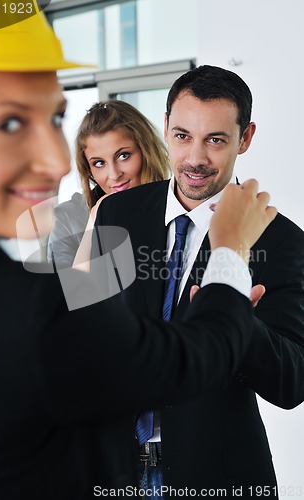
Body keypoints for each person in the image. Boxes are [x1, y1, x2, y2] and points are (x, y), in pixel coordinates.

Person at [0, 3, 277, 497]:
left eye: (54, 117)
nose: (54, 162)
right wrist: (230, 264)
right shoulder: (96, 227)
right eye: (8, 123)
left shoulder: (279, 236)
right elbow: (105, 342)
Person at [94, 65, 304, 498]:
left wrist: (241, 326)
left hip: (216, 474)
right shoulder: (117, 215)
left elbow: (292, 383)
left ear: (245, 139)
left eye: (216, 140)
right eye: (183, 135)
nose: (195, 159)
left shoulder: (281, 240)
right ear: (166, 128)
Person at [48, 99, 169, 268]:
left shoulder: (175, 209)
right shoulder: (66, 219)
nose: (114, 174)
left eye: (123, 156)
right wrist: (93, 225)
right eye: (99, 163)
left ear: (146, 152)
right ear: (88, 169)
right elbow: (70, 292)